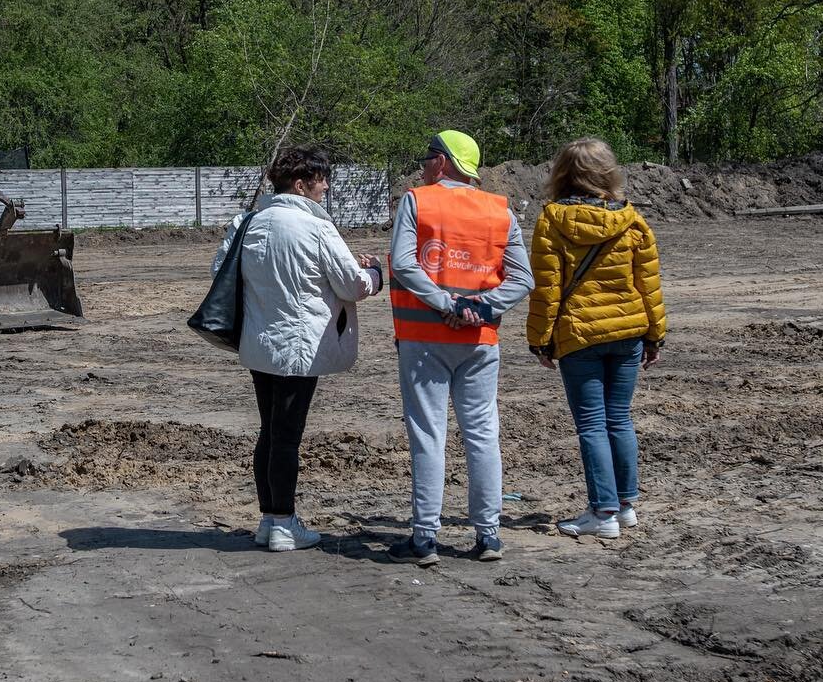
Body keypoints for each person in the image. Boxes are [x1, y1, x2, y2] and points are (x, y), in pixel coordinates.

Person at [214, 145, 384, 553]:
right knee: (286, 437)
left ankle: (270, 521)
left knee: (270, 432)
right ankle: (285, 524)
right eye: (322, 179)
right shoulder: (316, 228)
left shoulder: (246, 222)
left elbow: (221, 273)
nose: (326, 187)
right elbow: (351, 286)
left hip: (258, 345)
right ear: (301, 183)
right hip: (300, 349)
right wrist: (375, 273)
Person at [387, 130, 533, 566]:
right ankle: (488, 535)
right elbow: (522, 278)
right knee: (483, 434)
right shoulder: (500, 210)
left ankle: (425, 539)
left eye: (428, 155)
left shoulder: (418, 200)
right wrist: (481, 309)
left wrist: (447, 305)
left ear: (445, 161)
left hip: (424, 338)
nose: (423, 164)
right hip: (479, 341)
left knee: (428, 435)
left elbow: (403, 263)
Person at [526, 137, 666, 540]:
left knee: (591, 425)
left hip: (579, 334)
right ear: (608, 172)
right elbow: (649, 285)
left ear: (563, 174)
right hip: (629, 332)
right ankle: (624, 507)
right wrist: (655, 335)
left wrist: (540, 339)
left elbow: (546, 288)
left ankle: (602, 513)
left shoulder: (551, 219)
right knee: (618, 419)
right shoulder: (633, 220)